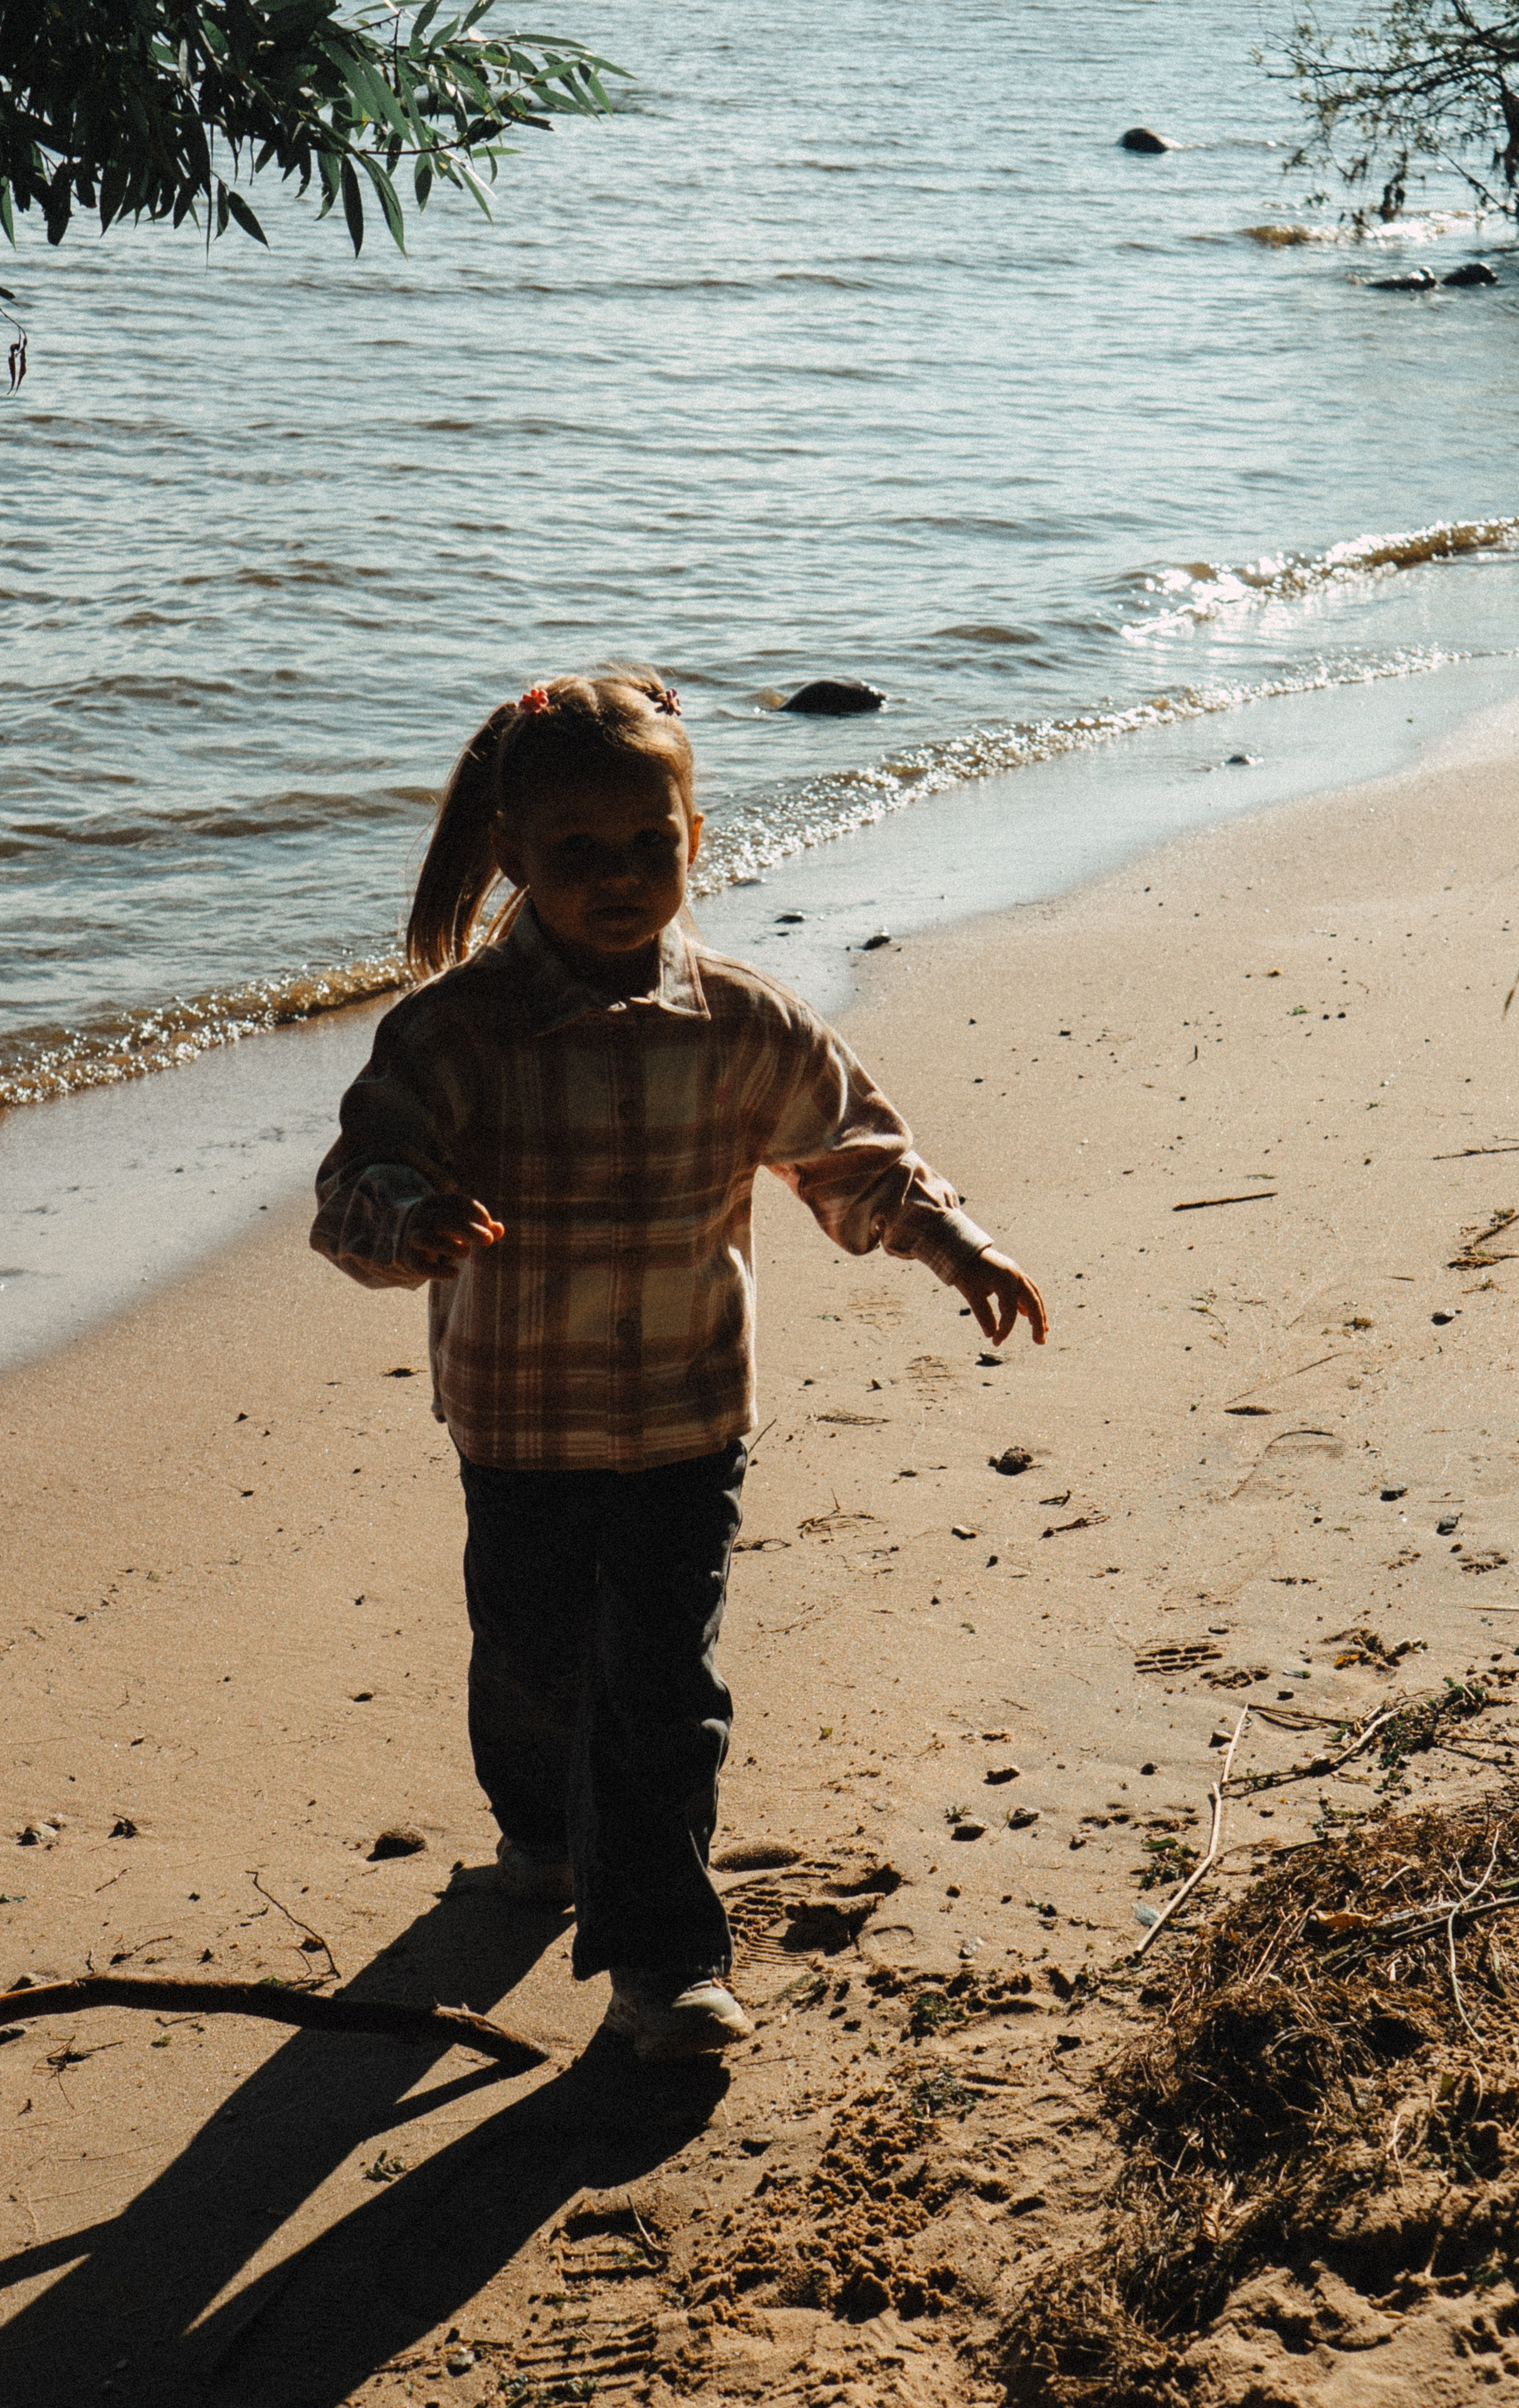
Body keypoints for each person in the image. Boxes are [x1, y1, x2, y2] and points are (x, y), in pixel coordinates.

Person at [311, 668, 1048, 2061]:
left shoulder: (740, 1022)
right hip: (518, 1427)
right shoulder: (453, 1034)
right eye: (577, 854)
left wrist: (954, 1245)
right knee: (531, 1661)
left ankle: (665, 1963)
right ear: (512, 859)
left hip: (686, 1419)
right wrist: (408, 1221)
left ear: (695, 839)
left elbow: (849, 1154)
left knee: (660, 1690)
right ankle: (537, 1836)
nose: (618, 877)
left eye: (648, 843)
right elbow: (358, 1181)